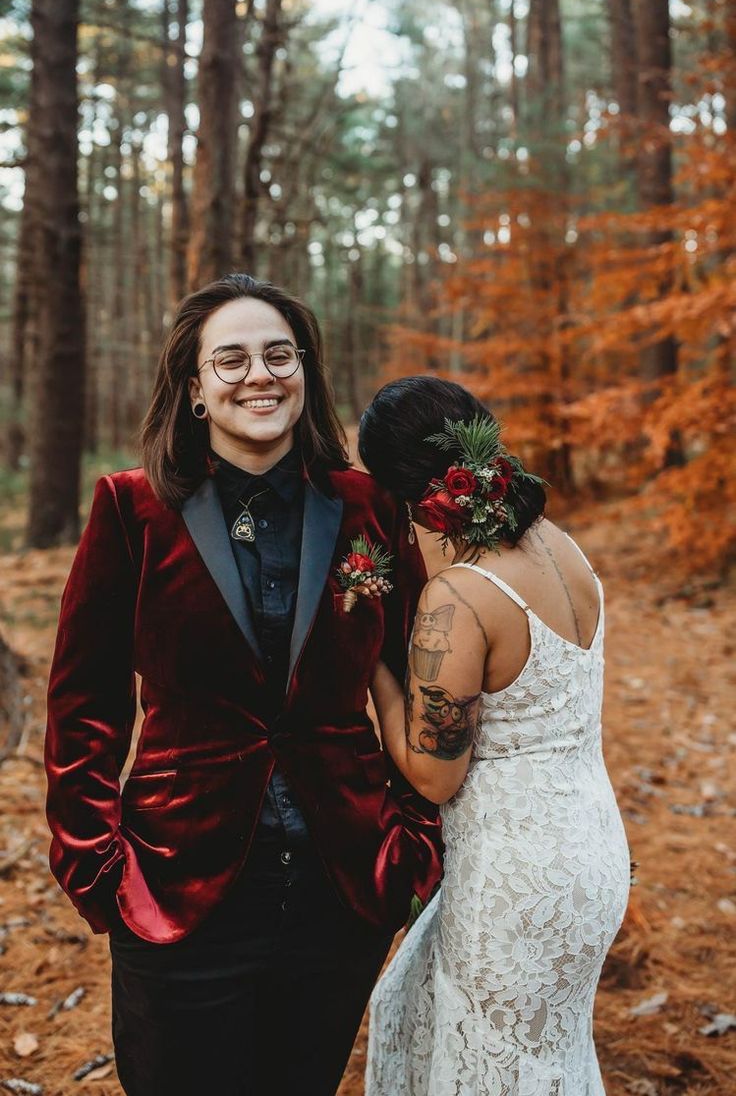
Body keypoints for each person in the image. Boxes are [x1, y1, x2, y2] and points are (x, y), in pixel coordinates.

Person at [44, 276, 442, 1096]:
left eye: (277, 354)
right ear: (194, 388)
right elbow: (83, 706)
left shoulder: (369, 507)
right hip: (175, 885)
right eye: (230, 359)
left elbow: (416, 680)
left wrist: (412, 845)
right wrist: (97, 867)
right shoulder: (132, 509)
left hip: (343, 881)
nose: (259, 375)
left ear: (305, 371)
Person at [359, 376, 630, 1095]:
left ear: (400, 492)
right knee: (535, 1054)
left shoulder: (460, 599)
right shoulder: (558, 545)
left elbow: (434, 774)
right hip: (592, 850)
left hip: (517, 877)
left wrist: (373, 672)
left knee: (493, 1068)